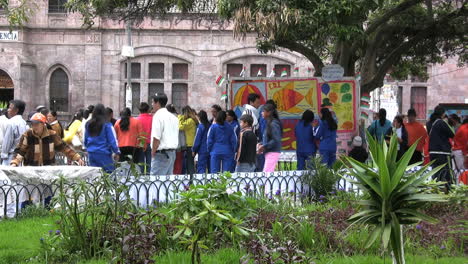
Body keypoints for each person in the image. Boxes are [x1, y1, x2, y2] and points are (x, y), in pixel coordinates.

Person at [10, 113, 84, 166]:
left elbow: (64, 148)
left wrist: (77, 158)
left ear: (43, 124)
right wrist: (15, 162)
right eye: (32, 124)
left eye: (36, 124)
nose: (34, 126)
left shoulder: (52, 135)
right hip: (31, 168)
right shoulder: (27, 135)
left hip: (48, 169)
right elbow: (20, 151)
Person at [85, 104, 120, 173]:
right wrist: (116, 152)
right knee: (109, 176)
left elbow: (85, 139)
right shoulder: (107, 124)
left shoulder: (88, 124)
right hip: (104, 154)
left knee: (94, 176)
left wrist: (87, 148)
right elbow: (112, 140)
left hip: (91, 153)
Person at [151, 93, 179, 175]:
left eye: (153, 102)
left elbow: (156, 137)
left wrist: (153, 152)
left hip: (161, 154)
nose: (152, 105)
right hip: (172, 153)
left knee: (156, 182)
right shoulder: (174, 117)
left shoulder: (158, 116)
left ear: (158, 103)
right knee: (167, 183)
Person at [428, 105, 455, 186]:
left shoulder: (430, 123)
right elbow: (452, 134)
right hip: (443, 152)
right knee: (446, 173)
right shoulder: (441, 122)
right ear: (443, 114)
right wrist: (446, 121)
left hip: (432, 152)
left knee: (436, 172)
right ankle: (449, 189)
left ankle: (436, 190)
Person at [1, 100, 28, 166]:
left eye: (10, 108)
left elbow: (7, 141)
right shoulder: (23, 122)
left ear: (16, 110)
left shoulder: (11, 123)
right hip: (20, 156)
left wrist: (4, 154)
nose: (8, 110)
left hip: (10, 156)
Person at [257, 104, 282, 173]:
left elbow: (276, 139)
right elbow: (269, 138)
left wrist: (264, 146)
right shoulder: (270, 123)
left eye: (263, 111)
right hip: (269, 152)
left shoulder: (273, 124)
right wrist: (261, 144)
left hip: (272, 152)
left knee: (267, 174)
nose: (261, 113)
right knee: (267, 174)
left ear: (268, 113)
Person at [179, 106, 198, 174]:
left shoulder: (190, 121)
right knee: (189, 164)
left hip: (190, 144)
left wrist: (180, 118)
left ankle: (191, 180)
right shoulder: (192, 120)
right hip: (190, 144)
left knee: (190, 164)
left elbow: (180, 127)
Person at [137, 102, 153, 173]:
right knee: (150, 161)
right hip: (150, 141)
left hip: (141, 142)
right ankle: (149, 178)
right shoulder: (152, 118)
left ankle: (141, 178)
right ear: (148, 109)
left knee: (141, 161)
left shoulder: (137, 119)